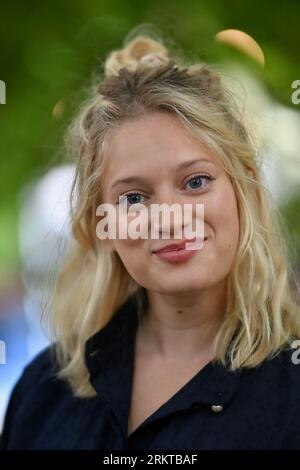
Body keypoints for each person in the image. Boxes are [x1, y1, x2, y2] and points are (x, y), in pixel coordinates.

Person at [1, 28, 300, 451]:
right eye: (135, 198)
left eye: (195, 182)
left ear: (246, 190)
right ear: (101, 223)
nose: (170, 220)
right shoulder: (43, 392)